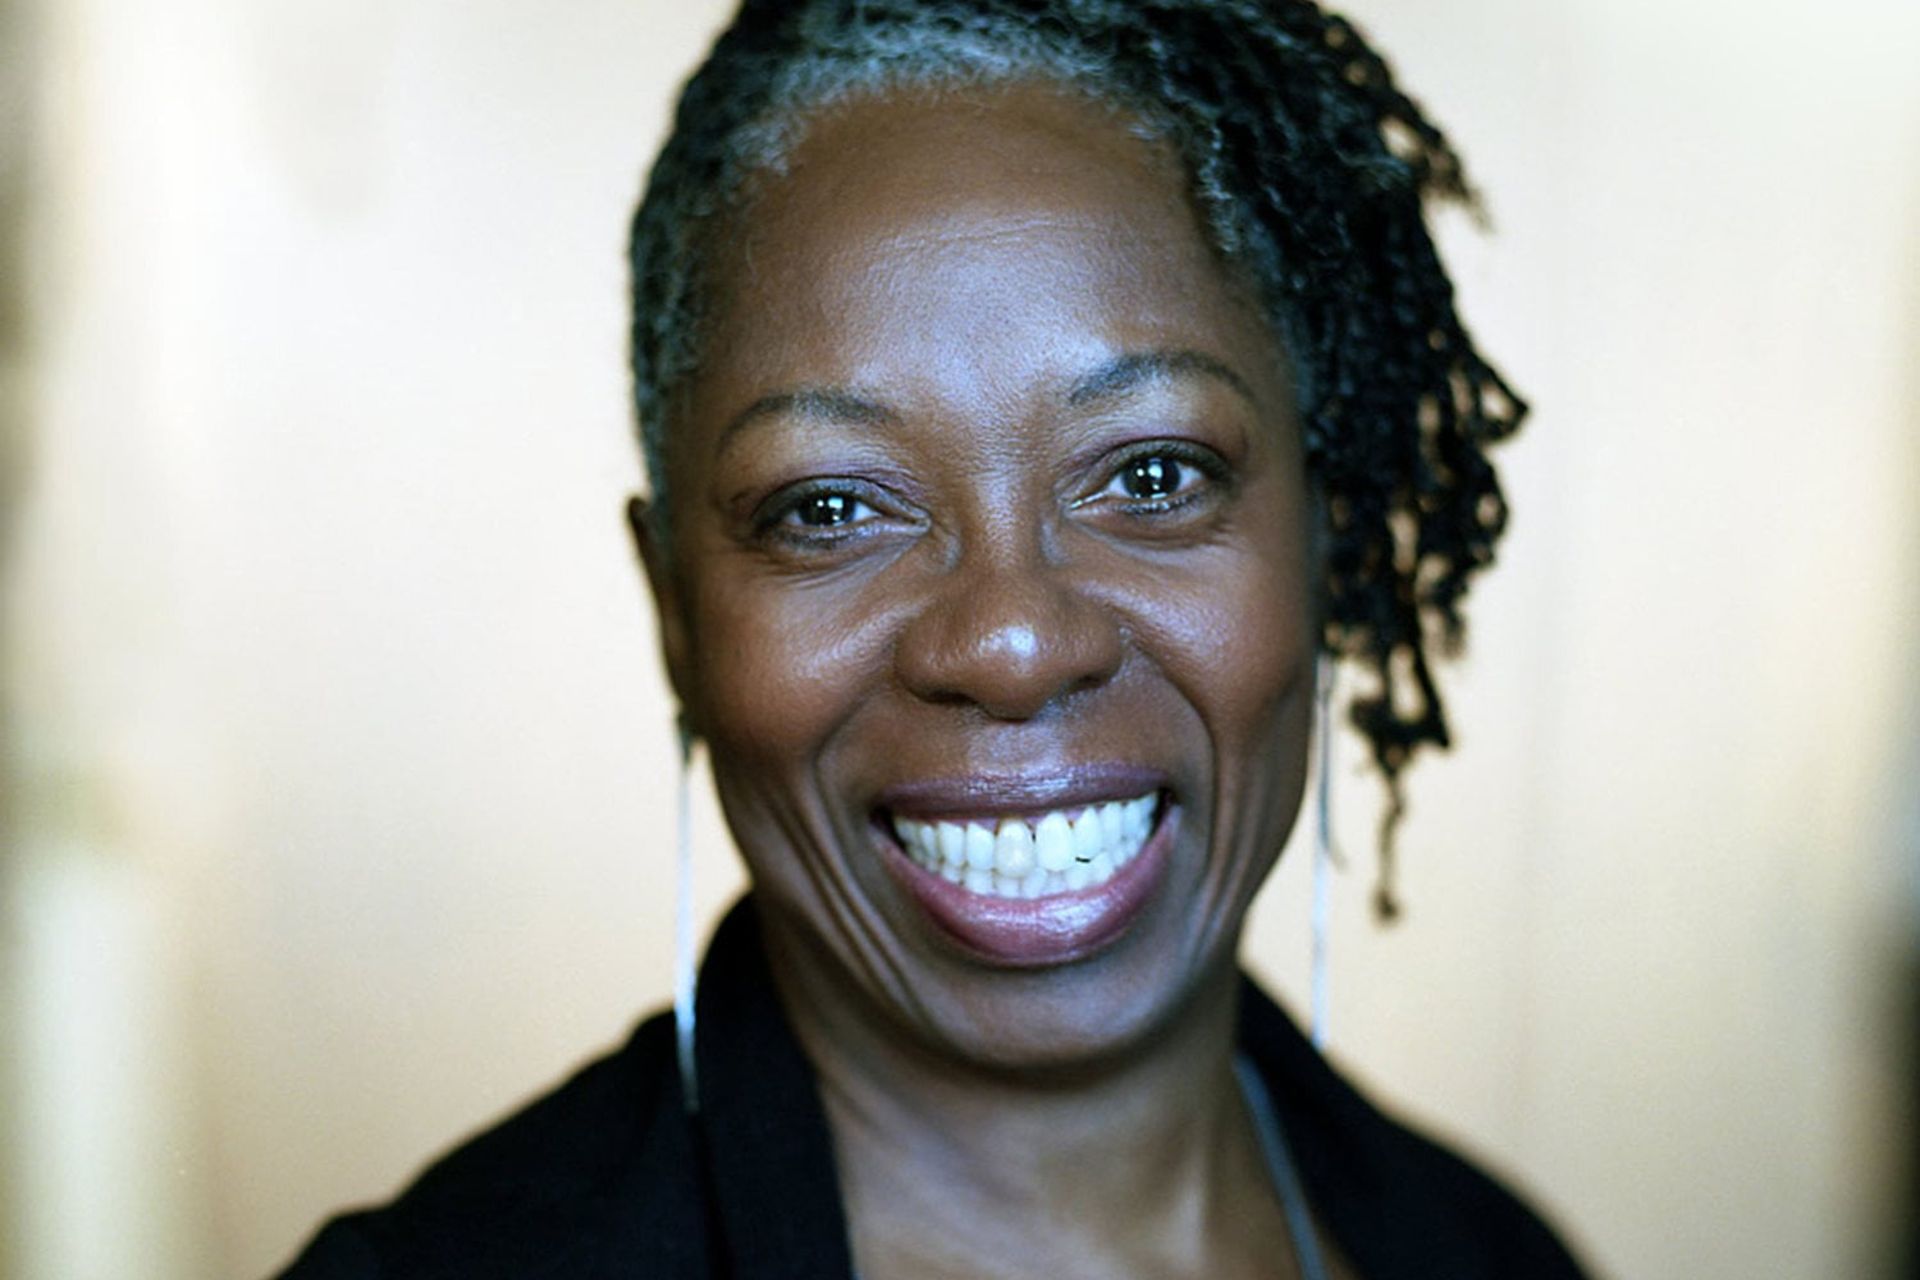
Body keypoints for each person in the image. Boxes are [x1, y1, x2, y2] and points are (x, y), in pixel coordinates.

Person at [276, 1, 1588, 1276]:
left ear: (1327, 543)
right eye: (831, 508)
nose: (1013, 642)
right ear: (675, 613)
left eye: (1150, 478)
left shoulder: (1495, 1252)